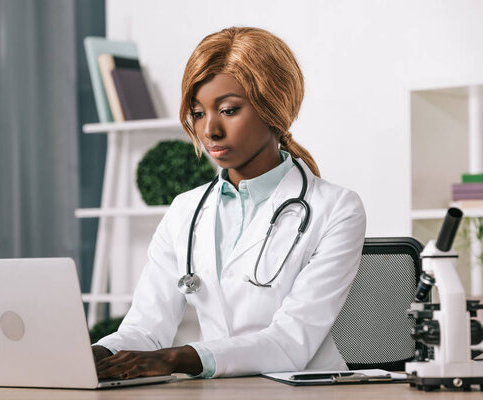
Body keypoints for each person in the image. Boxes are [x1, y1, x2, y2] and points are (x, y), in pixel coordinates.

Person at [92, 26, 366, 379]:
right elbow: (146, 328)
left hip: (307, 390)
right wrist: (94, 353)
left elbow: (290, 342)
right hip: (223, 388)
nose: (210, 131)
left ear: (274, 107)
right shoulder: (185, 211)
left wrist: (176, 359)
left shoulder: (337, 208)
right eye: (199, 112)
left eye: (229, 110)